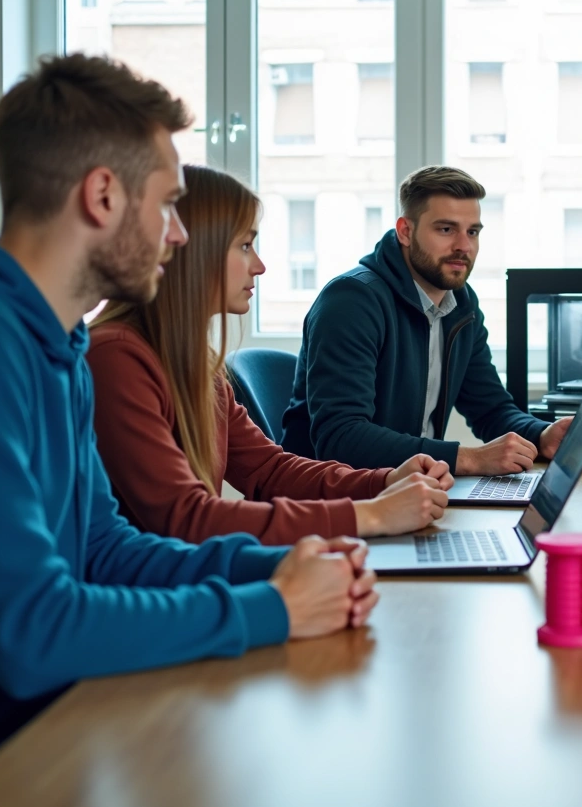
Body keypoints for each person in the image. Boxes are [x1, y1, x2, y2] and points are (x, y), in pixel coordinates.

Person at [0, 55, 373, 807]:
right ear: (102, 195)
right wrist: (275, 611)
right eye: (168, 205)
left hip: (46, 730)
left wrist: (287, 564)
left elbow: (106, 550)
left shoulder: (55, 344)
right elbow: (33, 630)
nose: (178, 233)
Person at [89, 164, 453, 545]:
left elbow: (268, 471)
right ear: (193, 249)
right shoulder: (117, 358)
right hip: (147, 593)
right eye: (245, 245)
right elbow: (186, 518)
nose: (259, 266)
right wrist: (372, 514)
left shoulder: (194, 363)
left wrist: (384, 481)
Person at [281, 166, 571, 476]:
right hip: (333, 500)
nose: (464, 245)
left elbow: (490, 408)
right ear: (405, 231)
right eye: (446, 229)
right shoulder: (351, 301)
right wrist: (469, 459)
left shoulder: (460, 303)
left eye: (472, 231)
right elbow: (341, 438)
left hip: (410, 490)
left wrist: (542, 435)